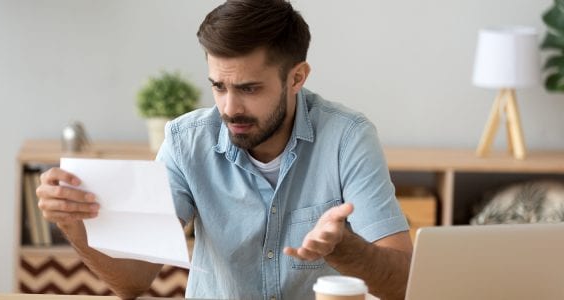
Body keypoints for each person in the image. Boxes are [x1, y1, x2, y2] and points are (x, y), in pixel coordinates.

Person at [36, 0, 413, 299]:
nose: (230, 108)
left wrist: (343, 247)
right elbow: (134, 281)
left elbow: (403, 284)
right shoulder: (186, 142)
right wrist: (73, 224)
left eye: (249, 88)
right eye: (218, 86)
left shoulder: (348, 138)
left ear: (296, 77)